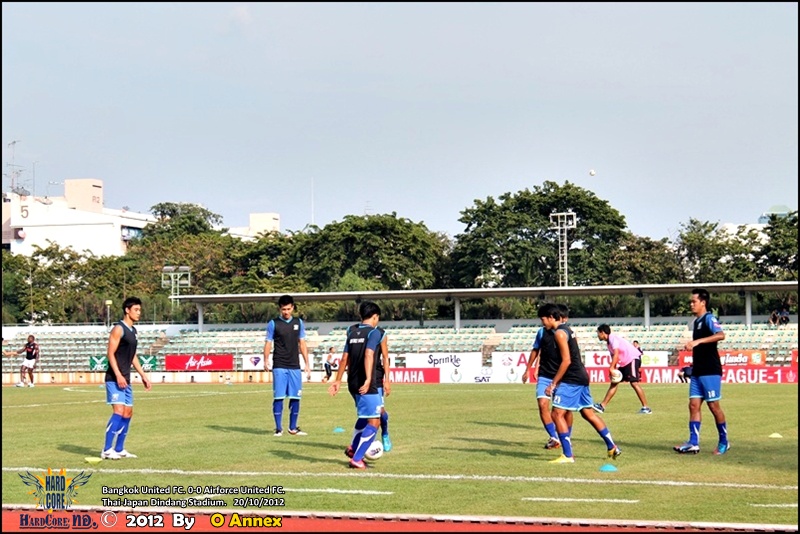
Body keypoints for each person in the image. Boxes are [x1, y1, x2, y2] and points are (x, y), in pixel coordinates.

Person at [539, 303, 622, 464]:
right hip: (581, 376)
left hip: (572, 378)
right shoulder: (568, 330)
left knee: (556, 414)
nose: (542, 323)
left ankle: (568, 455)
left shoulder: (559, 333)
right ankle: (612, 447)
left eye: (543, 319)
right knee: (588, 413)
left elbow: (566, 361)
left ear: (551, 317)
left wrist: (553, 383)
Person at [328, 301, 384, 470]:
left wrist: (337, 380)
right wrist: (368, 379)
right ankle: (357, 459)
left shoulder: (351, 331)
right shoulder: (374, 332)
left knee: (365, 417)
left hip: (352, 381)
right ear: (375, 317)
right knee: (374, 422)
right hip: (365, 383)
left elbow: (345, 358)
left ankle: (353, 448)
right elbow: (369, 354)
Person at [674, 288, 729, 455]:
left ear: (703, 303)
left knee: (713, 406)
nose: (691, 304)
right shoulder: (696, 322)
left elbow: (721, 335)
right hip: (698, 371)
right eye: (690, 302)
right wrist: (689, 368)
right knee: (693, 405)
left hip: (710, 371)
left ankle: (724, 441)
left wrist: (697, 342)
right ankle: (693, 442)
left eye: (694, 301)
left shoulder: (709, 318)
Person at [102, 297, 151, 460]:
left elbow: (133, 356)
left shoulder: (133, 331)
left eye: (140, 310)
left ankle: (119, 448)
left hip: (126, 378)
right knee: (119, 411)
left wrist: (143, 375)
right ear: (127, 310)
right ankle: (107, 449)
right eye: (136, 310)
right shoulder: (118, 329)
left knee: (128, 413)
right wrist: (118, 375)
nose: (139, 313)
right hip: (114, 378)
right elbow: (110, 353)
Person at [521, 303, 573, 451]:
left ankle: (566, 437)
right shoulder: (541, 332)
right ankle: (554, 437)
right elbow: (535, 350)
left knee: (565, 410)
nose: (542, 322)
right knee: (542, 404)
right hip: (545, 375)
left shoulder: (565, 332)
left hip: (562, 376)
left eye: (543, 319)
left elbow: (570, 356)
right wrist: (528, 369)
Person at [263, 295, 312, 437]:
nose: (286, 312)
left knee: (296, 397)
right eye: (284, 309)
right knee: (279, 397)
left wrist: (307, 363)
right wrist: (265, 359)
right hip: (279, 364)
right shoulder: (273, 323)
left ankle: (293, 428)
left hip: (294, 365)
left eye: (288, 309)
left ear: (293, 308)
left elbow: (302, 343)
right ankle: (278, 428)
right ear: (280, 309)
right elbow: (268, 342)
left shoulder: (298, 323)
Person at [593, 325, 652, 414]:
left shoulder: (613, 339)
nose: (597, 335)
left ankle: (646, 408)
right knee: (614, 382)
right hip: (624, 362)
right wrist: (613, 369)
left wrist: (611, 368)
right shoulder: (608, 343)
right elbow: (614, 356)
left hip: (632, 359)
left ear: (602, 332)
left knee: (634, 382)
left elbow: (616, 354)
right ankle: (602, 406)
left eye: (598, 333)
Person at [375, 327, 393, 452]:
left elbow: (385, 357)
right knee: (365, 414)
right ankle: (367, 440)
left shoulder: (380, 333)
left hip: (376, 377)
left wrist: (387, 380)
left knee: (380, 411)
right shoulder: (354, 331)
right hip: (360, 378)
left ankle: (385, 433)